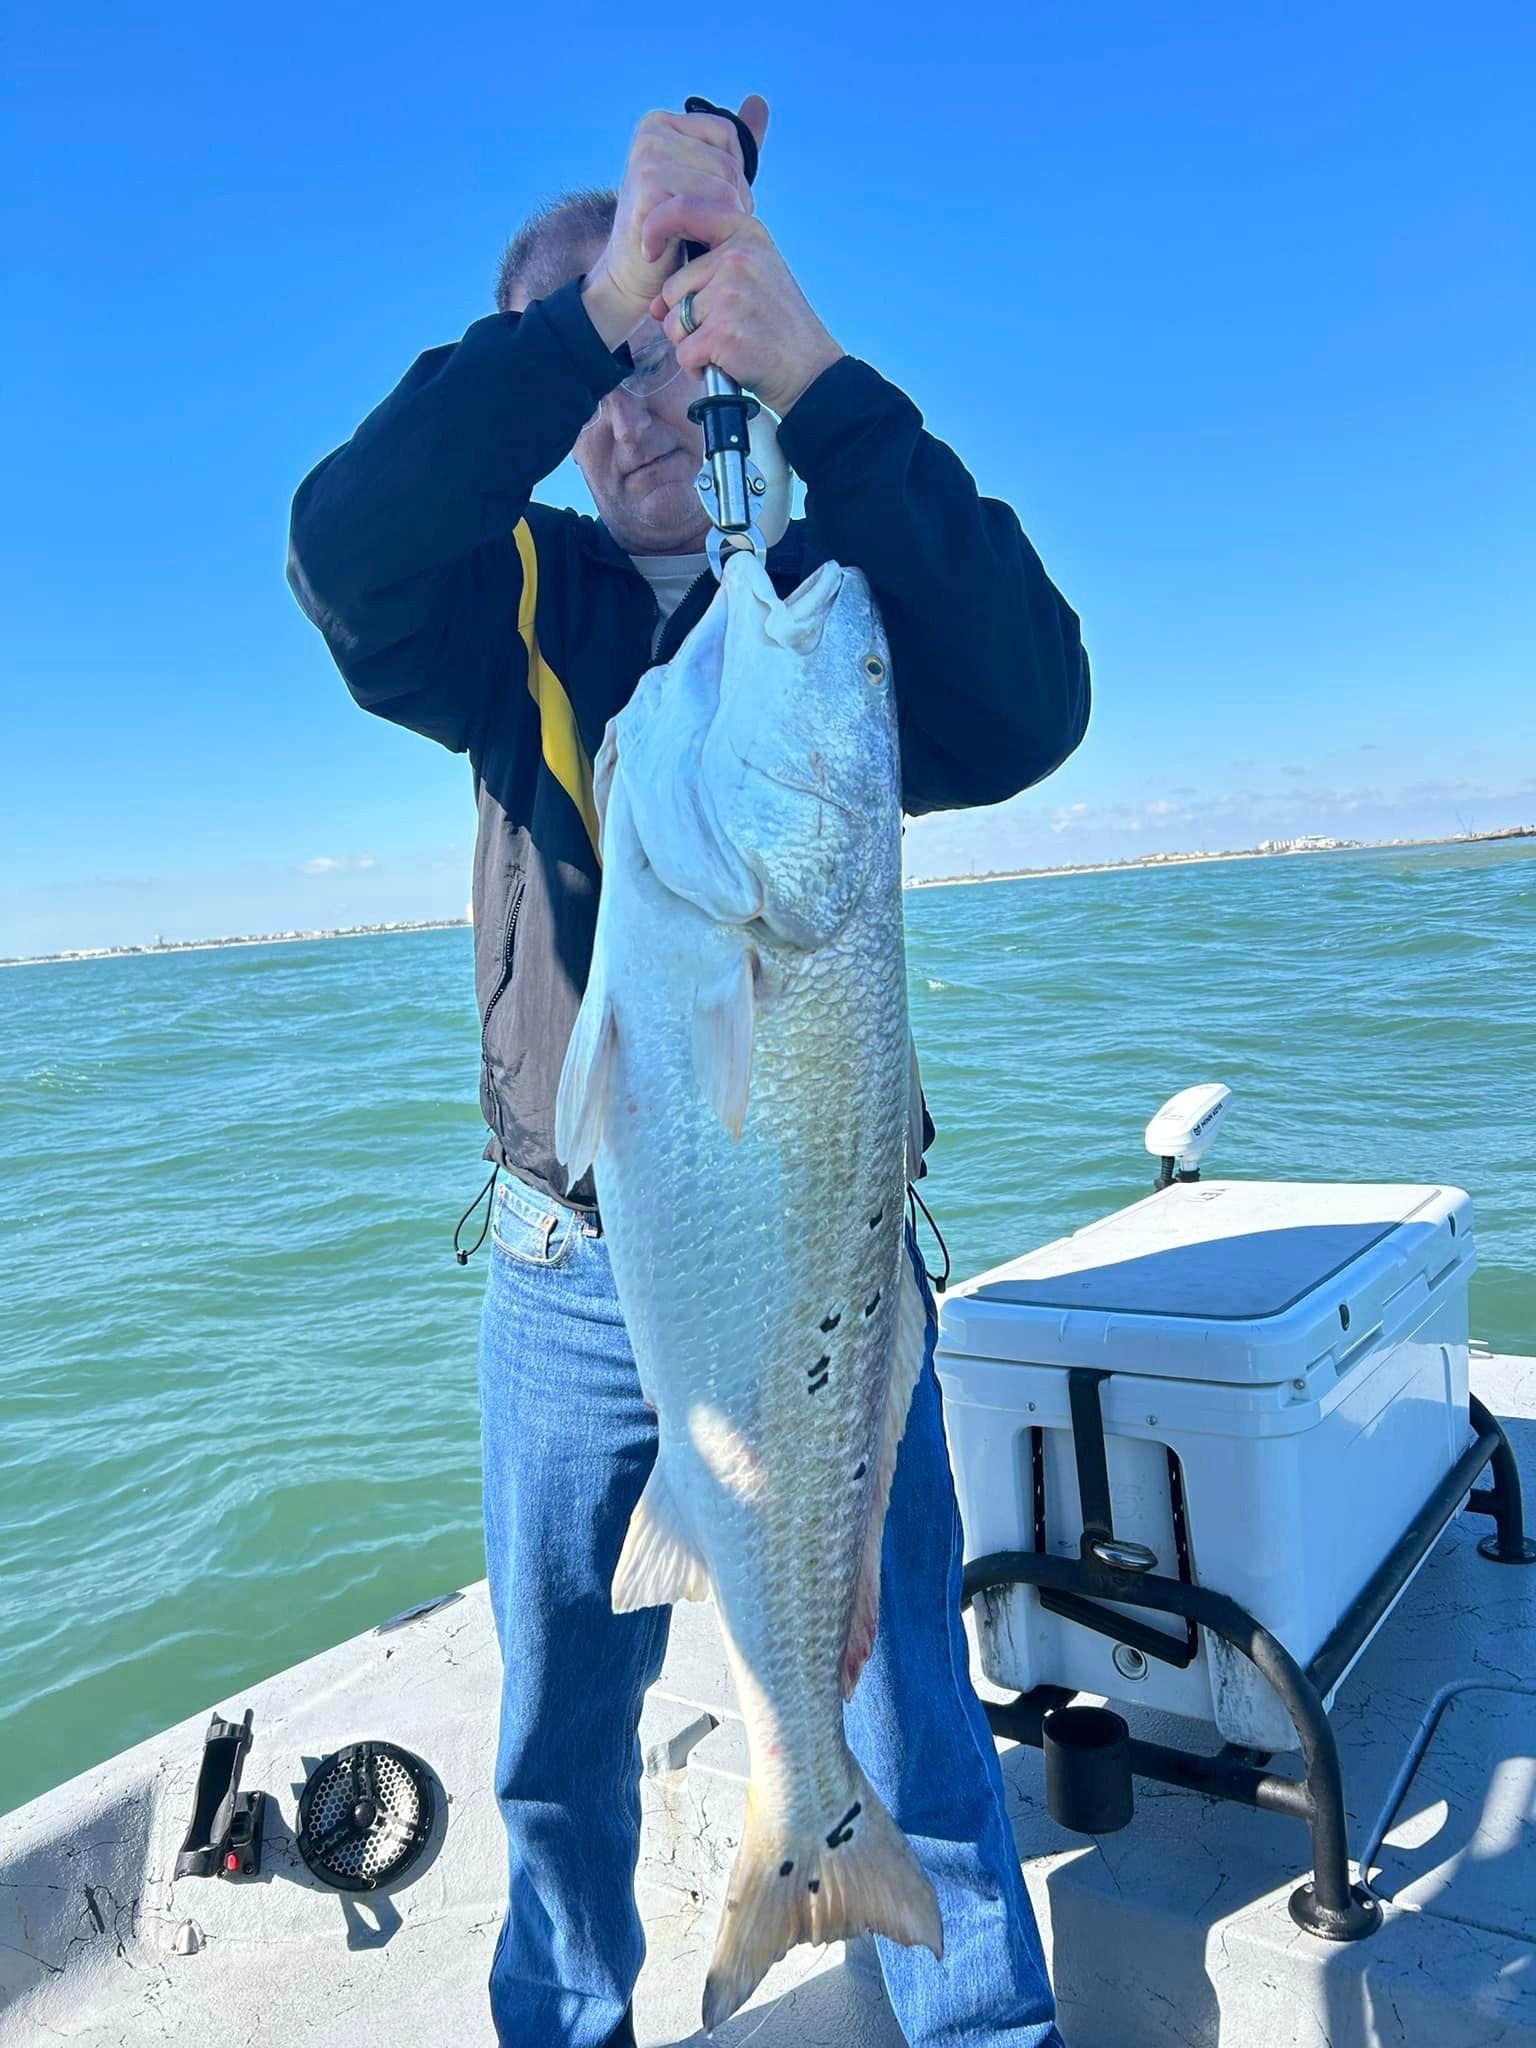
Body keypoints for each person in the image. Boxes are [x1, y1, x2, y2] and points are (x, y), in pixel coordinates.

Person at [288, 96, 1087, 2048]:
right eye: (595, 372)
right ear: (549, 408)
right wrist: (586, 312)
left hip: (820, 1269)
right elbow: (344, 544)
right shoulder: (511, 612)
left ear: (724, 362)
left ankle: (983, 2013)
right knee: (560, 1723)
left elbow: (1041, 695)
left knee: (910, 1681)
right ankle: (566, 2021)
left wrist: (808, 369)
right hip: (571, 1273)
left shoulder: (827, 610)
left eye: (672, 346)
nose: (640, 403)